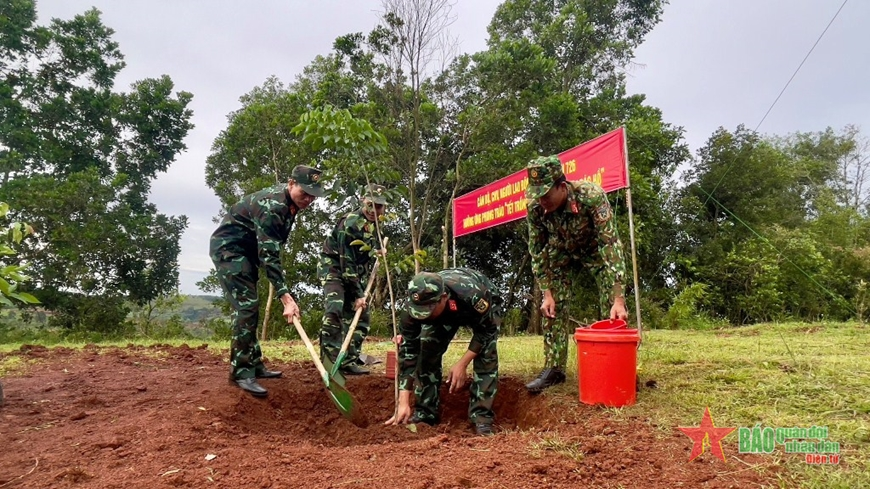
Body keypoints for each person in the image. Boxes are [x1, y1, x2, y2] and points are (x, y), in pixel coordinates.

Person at [210, 165, 326, 398]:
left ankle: (254, 364)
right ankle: (241, 371)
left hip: (247, 253)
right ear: (291, 183)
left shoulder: (290, 205)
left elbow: (270, 250)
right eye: (305, 193)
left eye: (313, 195)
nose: (309, 199)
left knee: (250, 306)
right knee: (246, 307)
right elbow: (269, 255)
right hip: (230, 251)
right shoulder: (273, 207)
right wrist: (286, 298)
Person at [524, 155, 628, 393]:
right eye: (537, 195)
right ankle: (554, 369)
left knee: (611, 304)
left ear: (562, 186)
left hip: (595, 251)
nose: (542, 201)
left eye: (546, 195)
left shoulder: (591, 196)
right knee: (553, 307)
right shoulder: (535, 208)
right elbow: (538, 251)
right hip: (560, 253)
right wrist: (546, 293)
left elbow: (610, 245)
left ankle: (614, 365)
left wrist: (619, 298)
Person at [385, 268, 502, 436]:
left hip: (482, 309)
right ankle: (425, 413)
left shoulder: (472, 294)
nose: (422, 317)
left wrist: (462, 364)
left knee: (486, 355)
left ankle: (481, 417)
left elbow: (487, 331)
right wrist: (403, 402)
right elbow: (409, 352)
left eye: (428, 310)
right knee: (426, 352)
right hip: (446, 313)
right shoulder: (412, 308)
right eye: (419, 312)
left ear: (443, 298)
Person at [318, 183, 388, 375]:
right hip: (334, 268)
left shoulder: (376, 224)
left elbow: (364, 251)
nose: (374, 210)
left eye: (379, 206)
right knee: (335, 308)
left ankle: (348, 360)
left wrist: (377, 251)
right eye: (371, 204)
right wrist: (358, 294)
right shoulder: (349, 224)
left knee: (361, 316)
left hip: (355, 272)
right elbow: (346, 263)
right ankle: (329, 362)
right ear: (362, 201)